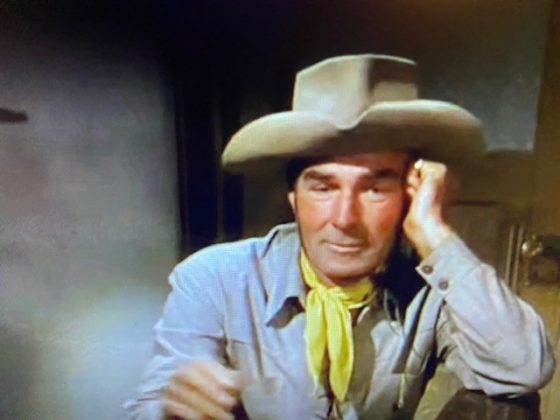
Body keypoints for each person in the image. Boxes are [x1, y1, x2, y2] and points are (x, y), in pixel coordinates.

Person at [124, 54, 555, 419]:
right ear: (294, 197)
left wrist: (435, 234)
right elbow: (150, 402)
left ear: (409, 194)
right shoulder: (216, 276)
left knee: (508, 407)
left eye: (375, 188)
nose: (345, 219)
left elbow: (523, 370)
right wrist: (176, 405)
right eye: (323, 187)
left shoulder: (429, 287)